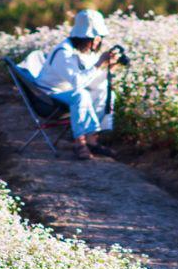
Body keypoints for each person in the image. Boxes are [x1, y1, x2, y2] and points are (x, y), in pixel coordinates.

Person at [33, 9, 122, 160]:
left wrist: (109, 67)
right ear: (89, 37)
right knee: (81, 95)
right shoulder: (64, 53)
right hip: (48, 98)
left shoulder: (81, 51)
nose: (99, 41)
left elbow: (91, 80)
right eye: (97, 37)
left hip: (65, 93)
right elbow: (78, 83)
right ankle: (79, 143)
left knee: (105, 92)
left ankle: (92, 141)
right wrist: (100, 63)